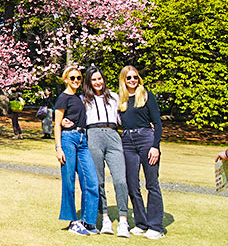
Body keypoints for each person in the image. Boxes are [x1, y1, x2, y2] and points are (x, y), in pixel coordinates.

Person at [80, 65, 130, 237]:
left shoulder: (114, 97)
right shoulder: (84, 99)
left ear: (104, 79)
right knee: (98, 180)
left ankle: (123, 220)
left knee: (120, 179)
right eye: (93, 79)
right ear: (89, 82)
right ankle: (106, 218)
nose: (97, 82)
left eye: (99, 78)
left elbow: (126, 117)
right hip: (93, 135)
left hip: (113, 135)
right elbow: (74, 117)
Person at [118, 66, 165, 239]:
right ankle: (141, 222)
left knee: (151, 183)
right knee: (131, 184)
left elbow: (158, 124)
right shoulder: (121, 100)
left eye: (135, 77)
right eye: (129, 77)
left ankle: (155, 226)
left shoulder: (146, 96)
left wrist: (155, 146)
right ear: (123, 79)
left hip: (146, 139)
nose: (132, 80)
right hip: (127, 141)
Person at [54, 65, 99, 235]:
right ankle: (73, 221)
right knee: (69, 180)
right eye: (72, 78)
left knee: (91, 181)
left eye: (78, 78)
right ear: (66, 79)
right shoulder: (63, 98)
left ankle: (88, 221)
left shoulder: (80, 97)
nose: (76, 81)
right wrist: (58, 148)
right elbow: (57, 125)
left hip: (82, 140)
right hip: (68, 139)